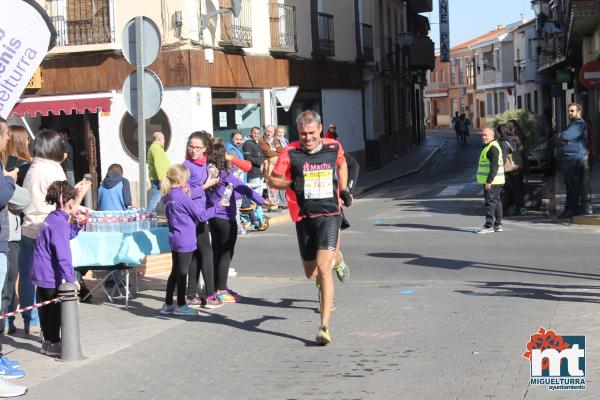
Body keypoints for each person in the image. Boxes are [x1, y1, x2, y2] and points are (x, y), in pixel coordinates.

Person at [268, 110, 352, 346]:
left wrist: (344, 189)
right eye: (303, 134)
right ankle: (337, 258)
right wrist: (291, 183)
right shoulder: (291, 152)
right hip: (304, 217)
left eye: (312, 133)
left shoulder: (333, 146)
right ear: (298, 132)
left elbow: (342, 163)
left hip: (329, 214)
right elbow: (272, 180)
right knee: (311, 272)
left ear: (320, 129)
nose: (308, 138)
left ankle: (324, 326)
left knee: (323, 269)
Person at [207, 141, 272, 304]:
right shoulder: (226, 175)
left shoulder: (208, 174)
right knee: (226, 254)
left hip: (212, 217)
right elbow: (245, 190)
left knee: (217, 252)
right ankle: (221, 289)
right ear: (223, 157)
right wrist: (264, 202)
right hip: (226, 218)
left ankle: (215, 287)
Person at [30, 181, 89, 357]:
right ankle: (53, 343)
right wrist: (71, 278)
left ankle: (48, 342)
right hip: (49, 273)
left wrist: (77, 225)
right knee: (54, 312)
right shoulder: (59, 222)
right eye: (75, 203)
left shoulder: (53, 217)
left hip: (40, 272)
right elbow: (63, 253)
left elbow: (64, 236)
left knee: (45, 311)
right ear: (70, 203)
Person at [160, 165, 220, 316]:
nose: (187, 182)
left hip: (174, 237)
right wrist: (217, 209)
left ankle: (168, 304)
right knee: (182, 273)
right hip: (185, 238)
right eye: (185, 179)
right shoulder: (181, 197)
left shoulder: (167, 195)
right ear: (180, 180)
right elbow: (200, 216)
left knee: (175, 272)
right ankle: (180, 305)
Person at [0, 118, 28, 391]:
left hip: (7, 237)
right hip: (4, 239)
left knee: (5, 297)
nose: (7, 140)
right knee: (3, 297)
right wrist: (10, 183)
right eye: (5, 134)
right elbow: (5, 196)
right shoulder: (8, 168)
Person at [183, 131, 221, 309]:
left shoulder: (206, 164)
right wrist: (206, 185)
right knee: (204, 253)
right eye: (191, 146)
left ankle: (193, 293)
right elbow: (185, 194)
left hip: (202, 213)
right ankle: (209, 295)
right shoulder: (186, 166)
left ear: (205, 148)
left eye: (197, 147)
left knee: (199, 254)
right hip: (190, 215)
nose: (193, 150)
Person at [0, 126, 32, 336]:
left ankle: (9, 321)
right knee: (10, 282)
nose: (29, 143)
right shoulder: (19, 166)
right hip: (9, 231)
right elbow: (21, 199)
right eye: (27, 140)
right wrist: (11, 180)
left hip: (10, 229)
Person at [558, 103, 588, 219]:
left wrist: (562, 137)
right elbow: (564, 138)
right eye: (569, 111)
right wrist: (563, 139)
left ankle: (573, 209)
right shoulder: (573, 124)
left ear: (579, 112)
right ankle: (568, 208)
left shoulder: (579, 123)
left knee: (573, 185)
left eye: (572, 111)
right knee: (569, 186)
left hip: (574, 158)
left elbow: (565, 136)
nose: (569, 113)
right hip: (569, 157)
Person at [476, 127, 505, 233]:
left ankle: (489, 225)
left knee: (490, 202)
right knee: (496, 201)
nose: (483, 137)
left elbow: (494, 166)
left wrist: (489, 181)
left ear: (492, 136)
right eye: (482, 135)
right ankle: (498, 224)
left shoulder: (492, 148)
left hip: (492, 181)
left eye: (485, 135)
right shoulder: (491, 146)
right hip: (497, 181)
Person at [497, 124, 524, 216]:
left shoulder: (502, 142)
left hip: (507, 169)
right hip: (516, 166)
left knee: (506, 190)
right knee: (517, 189)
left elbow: (503, 157)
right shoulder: (515, 139)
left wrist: (500, 167)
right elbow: (520, 150)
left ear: (500, 132)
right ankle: (519, 209)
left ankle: (505, 211)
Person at [260, 125, 283, 211]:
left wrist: (275, 151)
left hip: (276, 167)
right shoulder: (262, 140)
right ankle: (271, 206)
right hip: (267, 166)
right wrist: (276, 152)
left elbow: (281, 150)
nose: (269, 133)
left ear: (274, 133)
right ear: (265, 131)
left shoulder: (275, 140)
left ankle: (275, 205)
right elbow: (267, 153)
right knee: (270, 186)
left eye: (271, 132)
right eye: (267, 131)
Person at [147, 132, 170, 214]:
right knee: (156, 198)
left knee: (157, 197)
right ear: (160, 139)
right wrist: (162, 179)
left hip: (158, 178)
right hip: (159, 178)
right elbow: (158, 165)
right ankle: (149, 216)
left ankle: (150, 215)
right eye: (163, 139)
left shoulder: (154, 148)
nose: (164, 141)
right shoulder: (156, 148)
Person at [242, 127, 266, 196]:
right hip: (253, 172)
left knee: (259, 193)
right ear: (251, 133)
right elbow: (248, 158)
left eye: (258, 133)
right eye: (254, 133)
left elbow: (261, 156)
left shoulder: (258, 142)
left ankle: (259, 206)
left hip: (260, 172)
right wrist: (261, 163)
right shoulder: (248, 143)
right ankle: (255, 206)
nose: (256, 135)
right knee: (254, 193)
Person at [582, 117, 595, 215]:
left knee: (584, 180)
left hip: (586, 155)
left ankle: (586, 204)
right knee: (586, 179)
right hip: (590, 154)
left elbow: (585, 141)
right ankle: (587, 202)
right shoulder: (588, 124)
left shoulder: (584, 126)